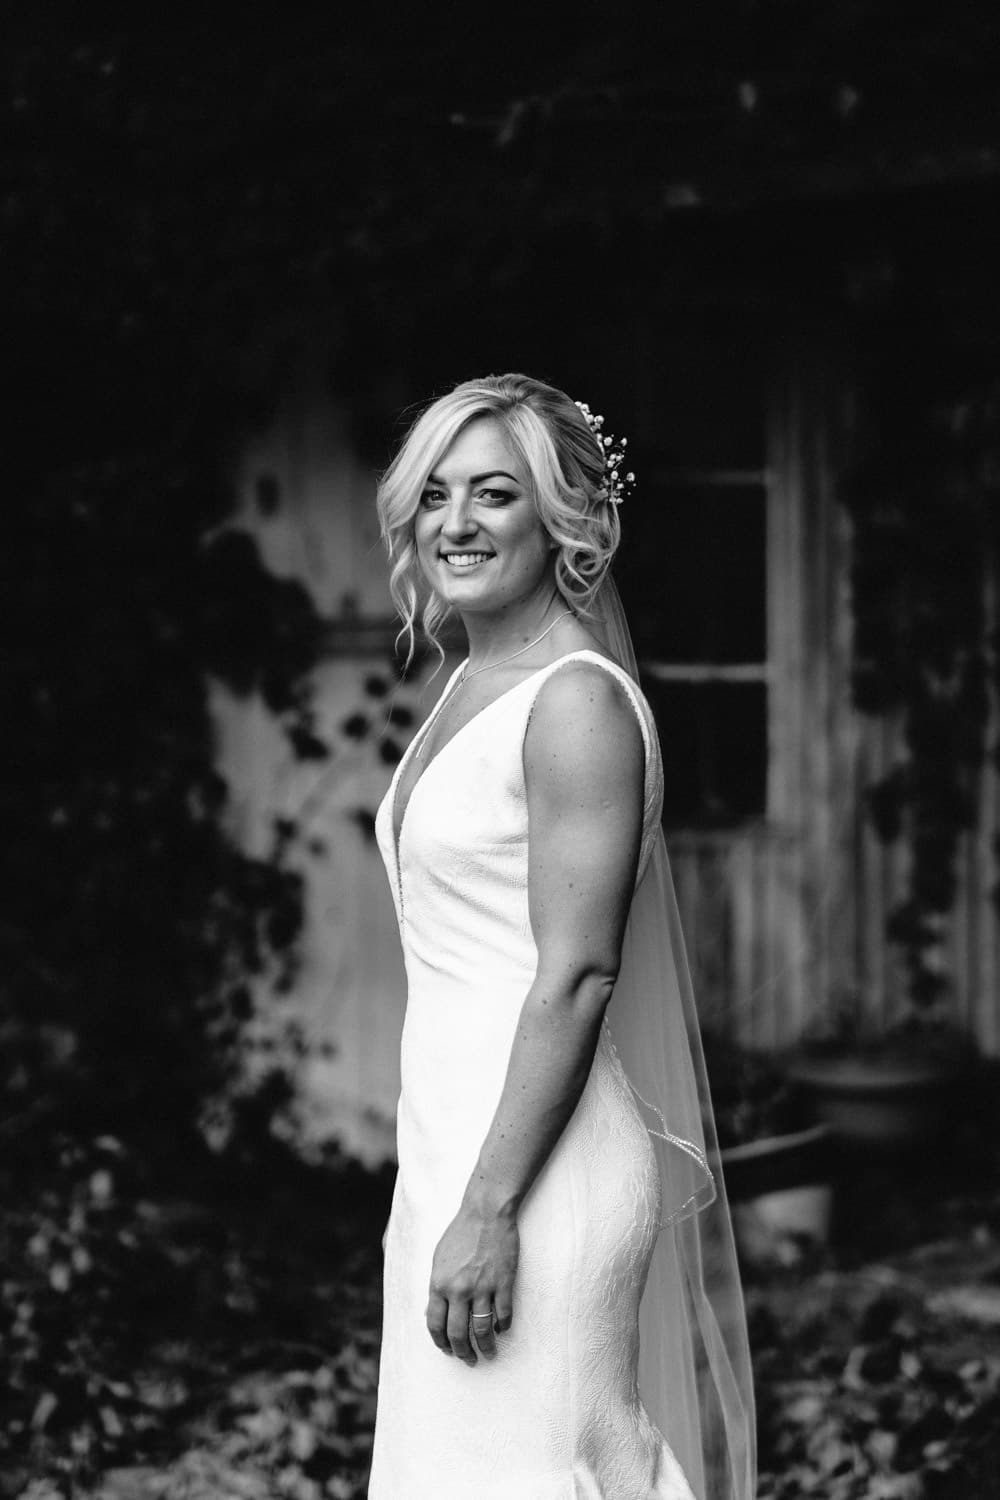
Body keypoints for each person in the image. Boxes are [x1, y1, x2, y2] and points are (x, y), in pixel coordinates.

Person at [369, 374, 755, 1499]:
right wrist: (450, 1194)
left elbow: (579, 975)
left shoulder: (573, 701)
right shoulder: (469, 680)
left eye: (495, 494)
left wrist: (487, 1207)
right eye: (435, 493)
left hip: (532, 1170)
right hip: (452, 1149)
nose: (455, 523)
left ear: (562, 521)